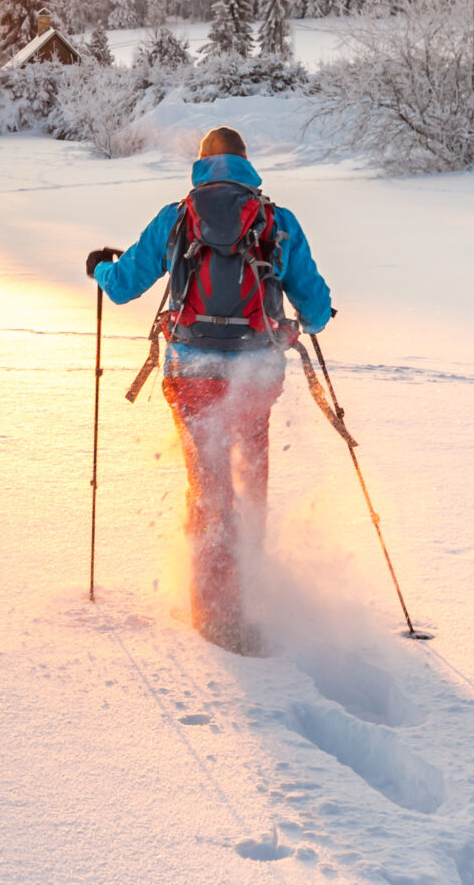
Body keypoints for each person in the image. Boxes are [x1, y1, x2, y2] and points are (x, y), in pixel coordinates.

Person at [85, 126, 333, 653]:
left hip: (191, 375)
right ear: (246, 165)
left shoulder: (177, 217)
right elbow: (313, 307)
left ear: (201, 165)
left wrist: (101, 269)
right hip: (254, 377)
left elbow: (125, 284)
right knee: (251, 482)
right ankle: (253, 589)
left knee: (209, 489)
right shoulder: (276, 221)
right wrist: (315, 318)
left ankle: (217, 614)